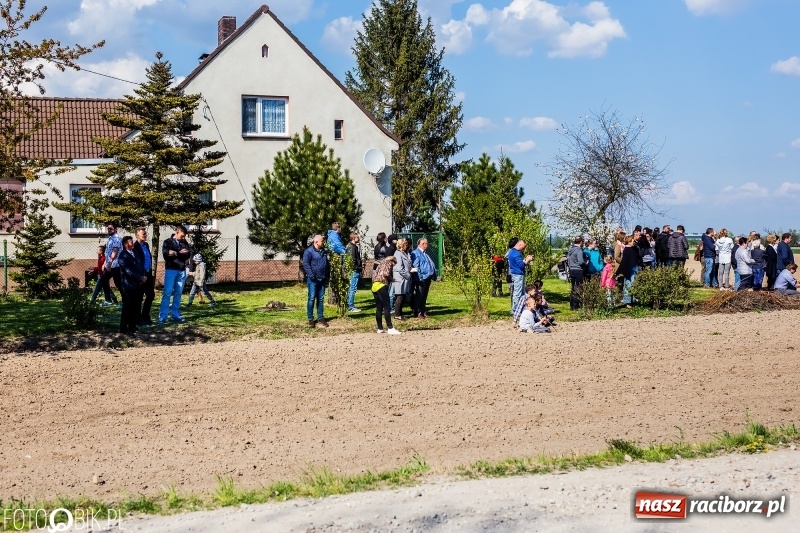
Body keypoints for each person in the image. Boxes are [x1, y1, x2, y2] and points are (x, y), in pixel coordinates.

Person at [158, 225, 192, 324]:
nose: (183, 238)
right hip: (171, 270)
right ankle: (163, 316)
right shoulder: (168, 242)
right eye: (181, 236)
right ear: (176, 232)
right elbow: (166, 253)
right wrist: (178, 252)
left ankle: (175, 314)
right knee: (167, 293)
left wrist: (176, 253)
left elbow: (188, 253)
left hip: (181, 270)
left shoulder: (184, 242)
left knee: (178, 293)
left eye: (184, 236)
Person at [117, 235, 147, 335]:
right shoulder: (122, 256)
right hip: (128, 285)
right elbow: (127, 271)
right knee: (127, 307)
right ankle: (124, 328)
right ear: (125, 244)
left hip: (138, 284)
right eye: (130, 242)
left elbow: (141, 264)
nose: (132, 243)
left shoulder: (135, 252)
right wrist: (139, 277)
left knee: (136, 306)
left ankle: (132, 326)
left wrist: (143, 276)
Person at [302, 234, 330, 328]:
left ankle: (320, 317)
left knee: (321, 299)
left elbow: (326, 263)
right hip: (313, 279)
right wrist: (311, 276)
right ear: (316, 242)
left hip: (322, 278)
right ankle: (310, 319)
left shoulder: (323, 251)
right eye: (322, 241)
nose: (323, 242)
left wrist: (327, 275)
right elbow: (306, 264)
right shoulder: (308, 251)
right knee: (311, 298)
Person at [372, 255, 400, 334]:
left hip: (374, 286)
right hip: (381, 286)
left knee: (379, 308)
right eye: (394, 264)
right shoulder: (388, 263)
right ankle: (390, 328)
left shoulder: (380, 264)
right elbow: (386, 274)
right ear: (392, 261)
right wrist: (392, 279)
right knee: (387, 307)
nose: (393, 266)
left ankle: (380, 328)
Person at [132, 227, 155, 325]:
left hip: (148, 273)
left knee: (150, 295)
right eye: (143, 234)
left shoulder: (146, 245)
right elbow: (136, 262)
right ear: (137, 235)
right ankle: (137, 318)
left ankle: (145, 315)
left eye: (145, 234)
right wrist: (140, 276)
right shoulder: (135, 246)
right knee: (139, 297)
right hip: (141, 275)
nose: (145, 235)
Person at [411, 237, 437, 318]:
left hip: (428, 278)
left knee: (424, 295)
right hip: (421, 278)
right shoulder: (416, 253)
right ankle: (417, 312)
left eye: (427, 243)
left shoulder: (425, 253)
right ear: (420, 244)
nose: (426, 245)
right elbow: (416, 266)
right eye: (424, 243)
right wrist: (420, 277)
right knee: (419, 295)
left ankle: (423, 311)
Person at [506, 239, 533, 314]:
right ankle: (515, 309)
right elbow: (521, 265)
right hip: (518, 274)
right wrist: (528, 260)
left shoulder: (511, 252)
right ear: (519, 245)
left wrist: (524, 260)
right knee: (518, 293)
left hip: (514, 273)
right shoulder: (517, 254)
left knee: (520, 292)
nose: (523, 249)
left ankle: (519, 308)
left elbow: (518, 263)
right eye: (523, 247)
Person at [99, 222, 122, 307]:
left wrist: (109, 263)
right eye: (108, 229)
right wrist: (104, 264)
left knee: (118, 283)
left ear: (116, 229)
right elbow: (107, 252)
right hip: (109, 264)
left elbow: (115, 251)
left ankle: (124, 301)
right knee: (104, 280)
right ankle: (108, 300)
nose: (109, 230)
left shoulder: (116, 238)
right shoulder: (110, 238)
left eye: (111, 229)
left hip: (115, 265)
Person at [392, 238, 412, 320]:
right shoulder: (398, 253)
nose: (406, 246)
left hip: (403, 277)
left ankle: (400, 313)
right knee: (399, 296)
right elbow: (400, 268)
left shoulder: (403, 253)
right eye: (405, 244)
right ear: (402, 245)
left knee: (402, 296)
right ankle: (397, 315)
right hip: (400, 278)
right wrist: (408, 275)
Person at [616, 235, 639, 307]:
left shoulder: (632, 249)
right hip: (629, 270)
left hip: (633, 269)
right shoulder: (627, 250)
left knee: (633, 284)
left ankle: (633, 299)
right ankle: (628, 301)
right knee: (629, 284)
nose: (634, 242)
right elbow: (625, 261)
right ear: (629, 241)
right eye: (632, 241)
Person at [567, 236, 588, 310]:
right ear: (581, 242)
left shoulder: (570, 249)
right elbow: (581, 262)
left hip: (571, 269)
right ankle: (576, 306)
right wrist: (586, 263)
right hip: (578, 270)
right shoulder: (579, 250)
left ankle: (572, 305)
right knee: (578, 288)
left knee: (573, 288)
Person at [344, 231, 362, 313]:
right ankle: (350, 306)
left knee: (352, 288)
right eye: (357, 237)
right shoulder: (351, 247)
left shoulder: (353, 247)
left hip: (355, 270)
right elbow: (351, 261)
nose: (359, 238)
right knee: (352, 288)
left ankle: (351, 305)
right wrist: (358, 267)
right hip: (354, 271)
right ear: (354, 238)